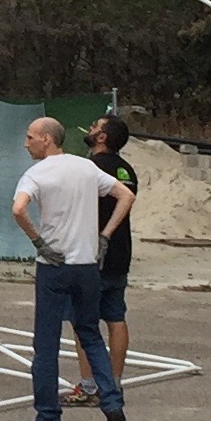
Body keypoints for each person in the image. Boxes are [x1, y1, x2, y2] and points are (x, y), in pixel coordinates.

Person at [9, 116, 128, 421]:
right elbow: (126, 196)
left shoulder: (36, 174)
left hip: (54, 265)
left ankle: (48, 417)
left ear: (46, 139)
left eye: (30, 137)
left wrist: (38, 242)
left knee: (46, 344)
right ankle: (112, 404)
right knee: (90, 334)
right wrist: (104, 236)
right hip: (87, 265)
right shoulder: (86, 167)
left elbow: (18, 209)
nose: (26, 143)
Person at [86, 111, 140, 376]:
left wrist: (102, 236)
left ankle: (88, 385)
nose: (89, 128)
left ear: (102, 137)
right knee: (116, 318)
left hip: (93, 253)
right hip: (120, 252)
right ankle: (115, 381)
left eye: (94, 126)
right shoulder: (126, 169)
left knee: (84, 322)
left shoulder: (91, 168)